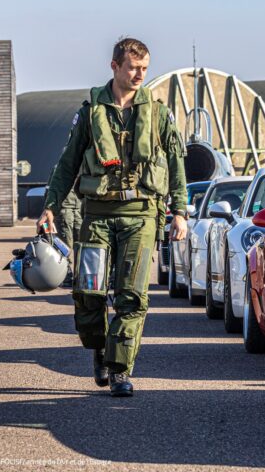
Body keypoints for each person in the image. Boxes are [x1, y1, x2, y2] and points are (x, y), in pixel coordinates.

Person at [38, 38, 187, 397]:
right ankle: (100, 349)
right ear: (115, 66)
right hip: (98, 215)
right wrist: (50, 205)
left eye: (144, 69)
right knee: (88, 293)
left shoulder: (159, 114)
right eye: (133, 67)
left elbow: (177, 164)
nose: (139, 75)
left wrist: (180, 210)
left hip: (141, 216)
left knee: (131, 296)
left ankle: (120, 370)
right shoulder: (91, 112)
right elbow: (67, 164)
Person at [46, 163, 82, 287]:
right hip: (64, 209)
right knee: (65, 244)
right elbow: (51, 189)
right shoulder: (59, 167)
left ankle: (80, 273)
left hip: (79, 209)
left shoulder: (85, 167)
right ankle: (65, 273)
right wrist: (49, 211)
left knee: (82, 243)